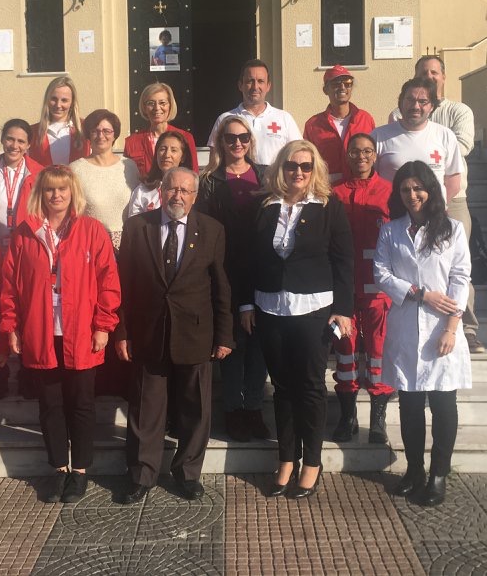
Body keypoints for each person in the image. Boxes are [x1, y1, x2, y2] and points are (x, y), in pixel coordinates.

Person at [0, 165, 121, 504]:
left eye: (62, 189)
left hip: (81, 332)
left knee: (81, 404)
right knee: (50, 405)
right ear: (40, 194)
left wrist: (103, 325)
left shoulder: (92, 230)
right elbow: (10, 285)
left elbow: (108, 281)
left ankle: (79, 471)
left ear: (72, 192)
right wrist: (11, 326)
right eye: (50, 189)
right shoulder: (25, 234)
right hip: (41, 332)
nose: (56, 195)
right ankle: (59, 468)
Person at [116, 167, 233, 504]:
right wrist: (122, 332)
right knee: (145, 408)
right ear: (161, 191)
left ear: (194, 196)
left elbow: (221, 286)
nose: (177, 196)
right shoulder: (137, 227)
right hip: (148, 333)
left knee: (196, 409)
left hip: (195, 333)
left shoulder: (212, 230)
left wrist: (224, 335)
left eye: (185, 190)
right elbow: (124, 285)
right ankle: (142, 474)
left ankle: (188, 474)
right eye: (172, 189)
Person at [245, 140, 353, 500]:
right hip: (270, 306)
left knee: (310, 386)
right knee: (282, 387)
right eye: (292, 165)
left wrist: (344, 309)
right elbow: (248, 258)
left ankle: (312, 462)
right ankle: (287, 459)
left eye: (306, 166)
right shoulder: (263, 206)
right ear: (281, 167)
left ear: (315, 170)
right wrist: (245, 304)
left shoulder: (329, 206)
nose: (298, 172)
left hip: (314, 308)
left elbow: (344, 261)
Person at [374, 160, 472, 508]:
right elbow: (381, 273)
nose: (412, 195)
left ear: (430, 189)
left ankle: (438, 474)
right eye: (405, 189)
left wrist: (451, 328)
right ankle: (414, 470)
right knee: (411, 404)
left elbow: (461, 277)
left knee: (443, 405)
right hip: (406, 325)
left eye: (418, 188)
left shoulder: (451, 229)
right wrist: (420, 293)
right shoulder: (391, 231)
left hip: (441, 328)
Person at [389, 55, 484, 353]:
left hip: (449, 201)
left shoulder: (458, 112)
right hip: (408, 202)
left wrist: (438, 206)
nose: (429, 76)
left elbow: (461, 151)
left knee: (457, 265)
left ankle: (466, 326)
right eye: (423, 72)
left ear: (443, 76)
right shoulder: (396, 115)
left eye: (434, 72)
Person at [196, 114, 269, 443]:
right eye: (230, 138)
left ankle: (254, 408)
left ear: (250, 141)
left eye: (243, 137)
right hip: (224, 270)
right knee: (231, 343)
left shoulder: (265, 175)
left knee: (258, 344)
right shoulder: (209, 180)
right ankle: (232, 410)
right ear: (220, 142)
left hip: (260, 269)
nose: (237, 143)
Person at [331, 133, 394, 444]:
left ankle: (378, 420)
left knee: (379, 353)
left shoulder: (389, 192)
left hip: (378, 290)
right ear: (347, 155)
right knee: (345, 353)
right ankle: (348, 417)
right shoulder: (335, 193)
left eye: (368, 151)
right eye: (355, 151)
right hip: (344, 290)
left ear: (375, 154)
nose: (361, 157)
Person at [0, 118, 43, 400]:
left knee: (27, 309)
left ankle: (27, 374)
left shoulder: (39, 174)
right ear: (2, 139)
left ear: (28, 145)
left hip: (27, 250)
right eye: (10, 139)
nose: (14, 145)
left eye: (21, 141)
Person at [372, 76, 463, 203]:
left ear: (432, 106)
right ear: (401, 102)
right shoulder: (378, 136)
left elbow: (453, 182)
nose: (415, 106)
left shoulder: (445, 136)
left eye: (423, 101)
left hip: (433, 213)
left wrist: (437, 208)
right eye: (410, 99)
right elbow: (369, 180)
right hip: (392, 212)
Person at [70, 109, 142, 250]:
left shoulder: (129, 166)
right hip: (92, 243)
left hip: (129, 244)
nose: (100, 136)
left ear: (115, 135)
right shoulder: (75, 170)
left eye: (106, 131)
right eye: (95, 131)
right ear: (88, 134)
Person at [207, 59, 301, 167]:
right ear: (240, 85)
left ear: (268, 86)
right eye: (250, 81)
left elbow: (297, 154)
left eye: (260, 81)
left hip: (274, 178)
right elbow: (214, 160)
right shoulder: (225, 119)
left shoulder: (284, 119)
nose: (255, 87)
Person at [303, 65, 375, 184]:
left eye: (347, 83)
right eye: (335, 84)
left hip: (361, 186)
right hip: (327, 189)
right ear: (325, 90)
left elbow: (373, 156)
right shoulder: (313, 125)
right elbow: (308, 161)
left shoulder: (365, 119)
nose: (342, 87)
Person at [123, 82, 198, 178]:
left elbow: (193, 175)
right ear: (144, 107)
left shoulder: (185, 137)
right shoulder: (132, 142)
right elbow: (128, 178)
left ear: (170, 105)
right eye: (151, 103)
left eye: (162, 103)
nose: (157, 108)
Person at [126, 130, 194, 218]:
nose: (167, 155)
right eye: (162, 149)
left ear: (183, 157)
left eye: (173, 150)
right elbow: (134, 224)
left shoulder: (192, 189)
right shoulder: (142, 191)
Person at [30, 76, 90, 166]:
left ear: (72, 103)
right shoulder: (33, 132)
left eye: (64, 100)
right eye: (53, 99)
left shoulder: (86, 128)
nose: (58, 105)